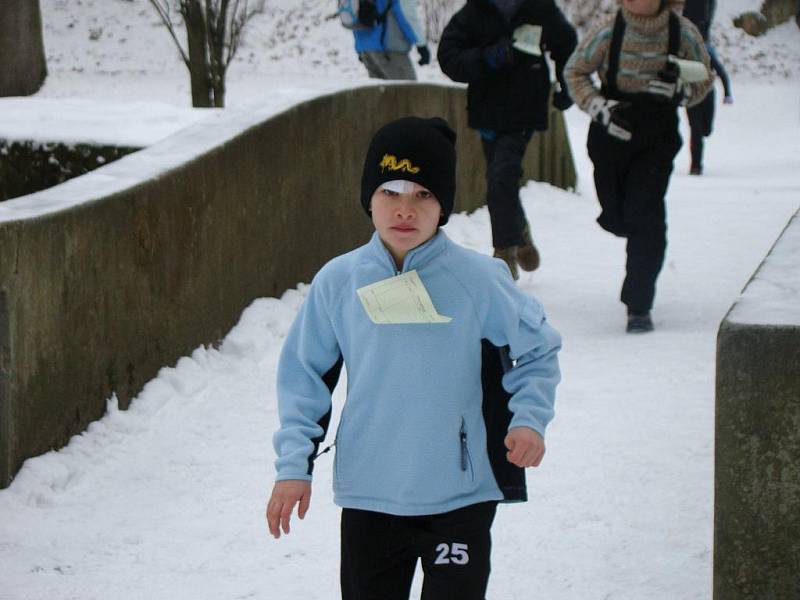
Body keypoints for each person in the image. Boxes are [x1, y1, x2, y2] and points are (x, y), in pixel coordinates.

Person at [266, 116, 562, 599]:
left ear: (443, 204)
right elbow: (304, 378)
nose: (405, 210)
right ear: (369, 197)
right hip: (371, 496)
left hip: (460, 496)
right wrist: (293, 468)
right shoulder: (339, 282)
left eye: (423, 194)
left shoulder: (479, 280)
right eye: (391, 192)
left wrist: (529, 419)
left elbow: (538, 349)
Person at [564, 0, 711, 333]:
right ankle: (623, 223)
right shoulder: (606, 30)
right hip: (610, 135)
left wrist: (681, 89)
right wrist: (598, 106)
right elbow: (575, 72)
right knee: (619, 217)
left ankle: (639, 304)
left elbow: (704, 79)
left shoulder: (683, 32)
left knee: (646, 216)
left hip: (656, 138)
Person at [437, 0, 577, 280]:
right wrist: (485, 57)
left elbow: (566, 42)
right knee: (501, 180)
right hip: (487, 112)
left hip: (525, 110)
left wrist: (565, 82)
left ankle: (504, 254)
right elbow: (449, 57)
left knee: (501, 177)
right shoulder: (474, 12)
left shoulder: (539, 7)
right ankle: (520, 232)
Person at [682, 0, 733, 175]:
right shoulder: (685, 49)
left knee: (705, 130)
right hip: (691, 93)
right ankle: (696, 165)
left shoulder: (707, 51)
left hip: (708, 92)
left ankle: (697, 160)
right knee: (695, 130)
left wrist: (727, 93)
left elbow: (720, 71)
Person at [353, 0, 430, 80]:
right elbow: (407, 15)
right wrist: (421, 45)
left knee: (381, 91)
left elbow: (353, 13)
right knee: (409, 90)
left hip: (365, 49)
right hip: (389, 49)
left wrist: (360, 47)